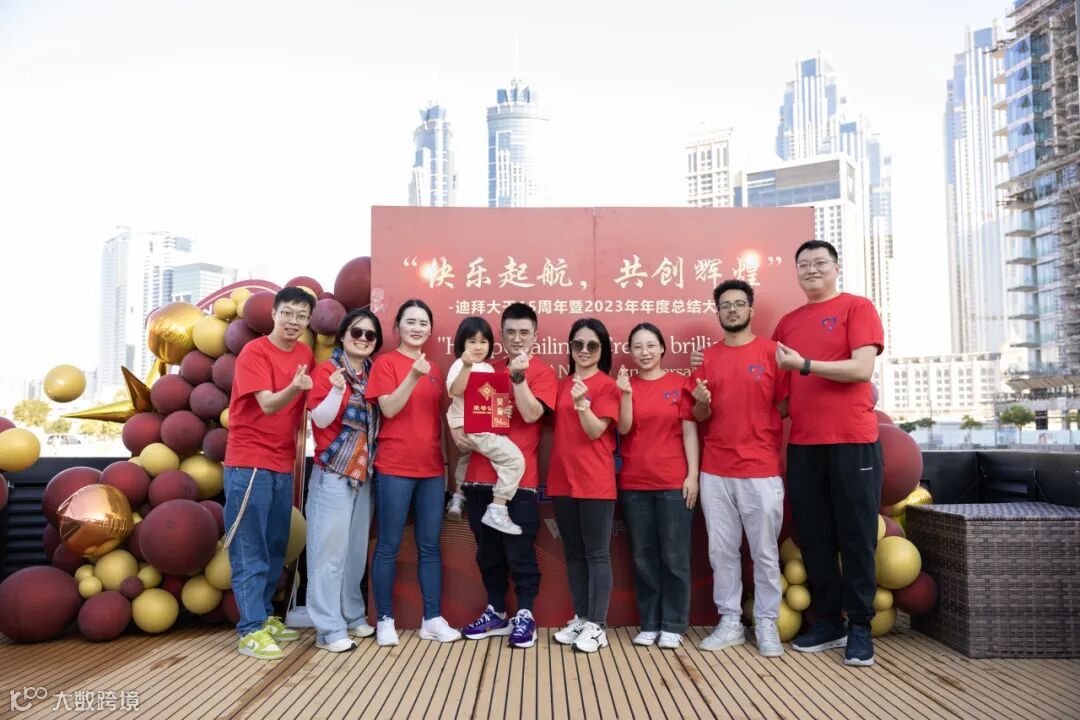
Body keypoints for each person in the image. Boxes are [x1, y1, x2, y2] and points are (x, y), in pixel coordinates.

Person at [772, 240, 885, 667]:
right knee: (815, 536)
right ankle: (828, 621)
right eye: (803, 264)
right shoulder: (787, 323)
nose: (812, 269)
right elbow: (782, 398)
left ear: (836, 267)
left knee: (856, 535)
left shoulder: (858, 307)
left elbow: (862, 368)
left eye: (820, 262)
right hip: (804, 445)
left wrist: (807, 365)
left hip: (853, 440)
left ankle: (860, 626)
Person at [688, 279, 790, 658]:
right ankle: (730, 621)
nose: (732, 310)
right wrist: (702, 402)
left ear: (751, 309)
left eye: (738, 303)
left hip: (761, 469)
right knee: (722, 552)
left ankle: (766, 623)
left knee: (764, 553)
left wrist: (758, 426)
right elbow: (699, 414)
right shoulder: (706, 358)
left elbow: (784, 405)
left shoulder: (772, 353)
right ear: (717, 312)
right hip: (716, 470)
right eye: (725, 305)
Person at [454, 303, 557, 649]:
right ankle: (496, 611)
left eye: (524, 332)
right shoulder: (485, 368)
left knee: (520, 552)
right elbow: (461, 408)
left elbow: (531, 415)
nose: (517, 338)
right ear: (500, 335)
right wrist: (457, 433)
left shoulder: (543, 372)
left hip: (519, 482)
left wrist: (518, 377)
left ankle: (525, 614)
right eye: (510, 332)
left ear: (536, 336)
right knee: (488, 554)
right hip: (479, 476)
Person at [222, 286, 315, 660]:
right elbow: (269, 405)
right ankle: (250, 630)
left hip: (282, 464)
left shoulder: (305, 354)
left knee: (276, 544)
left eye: (302, 316)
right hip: (250, 464)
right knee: (250, 547)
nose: (294, 321)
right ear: (274, 314)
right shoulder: (254, 352)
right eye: (288, 313)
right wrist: (295, 386)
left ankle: (263, 616)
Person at [366, 299, 461, 646]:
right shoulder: (386, 363)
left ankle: (432, 618)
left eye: (423, 322)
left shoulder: (434, 368)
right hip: (394, 466)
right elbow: (389, 408)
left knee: (430, 546)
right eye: (410, 321)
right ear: (397, 327)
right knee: (388, 545)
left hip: (431, 470)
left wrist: (447, 469)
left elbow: (439, 421)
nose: (417, 328)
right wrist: (412, 376)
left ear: (430, 329)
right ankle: (385, 619)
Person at [616, 322, 698, 650]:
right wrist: (624, 394)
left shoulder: (680, 383)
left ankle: (674, 624)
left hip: (673, 483)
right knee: (643, 557)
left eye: (651, 345)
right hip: (635, 483)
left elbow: (690, 431)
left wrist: (693, 475)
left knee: (675, 557)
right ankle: (649, 623)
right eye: (637, 347)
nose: (645, 352)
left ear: (663, 348)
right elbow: (623, 429)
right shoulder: (626, 386)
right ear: (630, 352)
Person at [304, 309, 383, 653]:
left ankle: (351, 615)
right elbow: (319, 420)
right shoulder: (327, 371)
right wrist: (337, 392)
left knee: (353, 552)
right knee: (328, 552)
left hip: (363, 472)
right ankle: (327, 628)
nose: (363, 339)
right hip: (334, 472)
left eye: (370, 335)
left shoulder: (373, 375)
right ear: (342, 335)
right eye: (356, 332)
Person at [548, 318, 621, 654]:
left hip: (595, 480)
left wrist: (582, 404)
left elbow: (595, 431)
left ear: (602, 349)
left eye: (592, 345)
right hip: (562, 479)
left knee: (597, 554)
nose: (585, 350)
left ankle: (597, 625)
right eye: (578, 344)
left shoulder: (607, 386)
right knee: (574, 554)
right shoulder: (561, 384)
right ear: (570, 348)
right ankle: (581, 617)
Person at [445, 316, 525, 536]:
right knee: (514, 460)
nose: (478, 347)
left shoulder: (488, 369)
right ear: (461, 343)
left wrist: (504, 412)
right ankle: (498, 507)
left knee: (467, 459)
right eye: (472, 341)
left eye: (483, 341)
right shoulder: (460, 364)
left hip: (480, 425)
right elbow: (456, 390)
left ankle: (458, 497)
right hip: (472, 427)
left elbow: (490, 403)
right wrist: (466, 366)